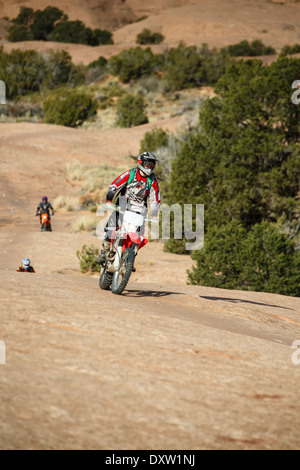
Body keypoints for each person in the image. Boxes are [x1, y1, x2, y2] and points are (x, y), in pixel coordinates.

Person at [95, 151, 161, 265]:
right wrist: (109, 200)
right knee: (112, 225)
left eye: (152, 165)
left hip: (140, 210)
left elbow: (155, 199)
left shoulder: (152, 181)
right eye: (147, 164)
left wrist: (154, 215)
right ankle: (104, 251)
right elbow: (114, 185)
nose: (150, 167)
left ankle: (130, 260)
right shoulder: (131, 174)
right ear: (141, 163)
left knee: (139, 236)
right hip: (123, 205)